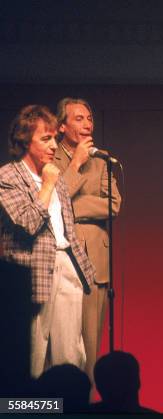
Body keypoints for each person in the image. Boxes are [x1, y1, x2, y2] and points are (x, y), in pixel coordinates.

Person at [0, 105, 95, 378]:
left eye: (55, 137)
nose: (54, 145)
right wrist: (47, 185)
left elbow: (65, 227)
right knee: (34, 353)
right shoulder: (7, 177)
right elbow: (28, 223)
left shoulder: (54, 176)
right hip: (32, 269)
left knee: (70, 353)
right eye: (46, 139)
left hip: (66, 264)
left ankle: (68, 407)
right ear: (24, 140)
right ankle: (33, 408)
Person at [53, 98, 122, 385]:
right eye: (79, 118)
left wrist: (72, 207)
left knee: (91, 347)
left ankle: (89, 404)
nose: (87, 124)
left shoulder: (102, 158)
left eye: (89, 118)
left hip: (96, 260)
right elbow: (53, 200)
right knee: (62, 347)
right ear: (62, 126)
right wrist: (77, 165)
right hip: (61, 261)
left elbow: (113, 205)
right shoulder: (49, 157)